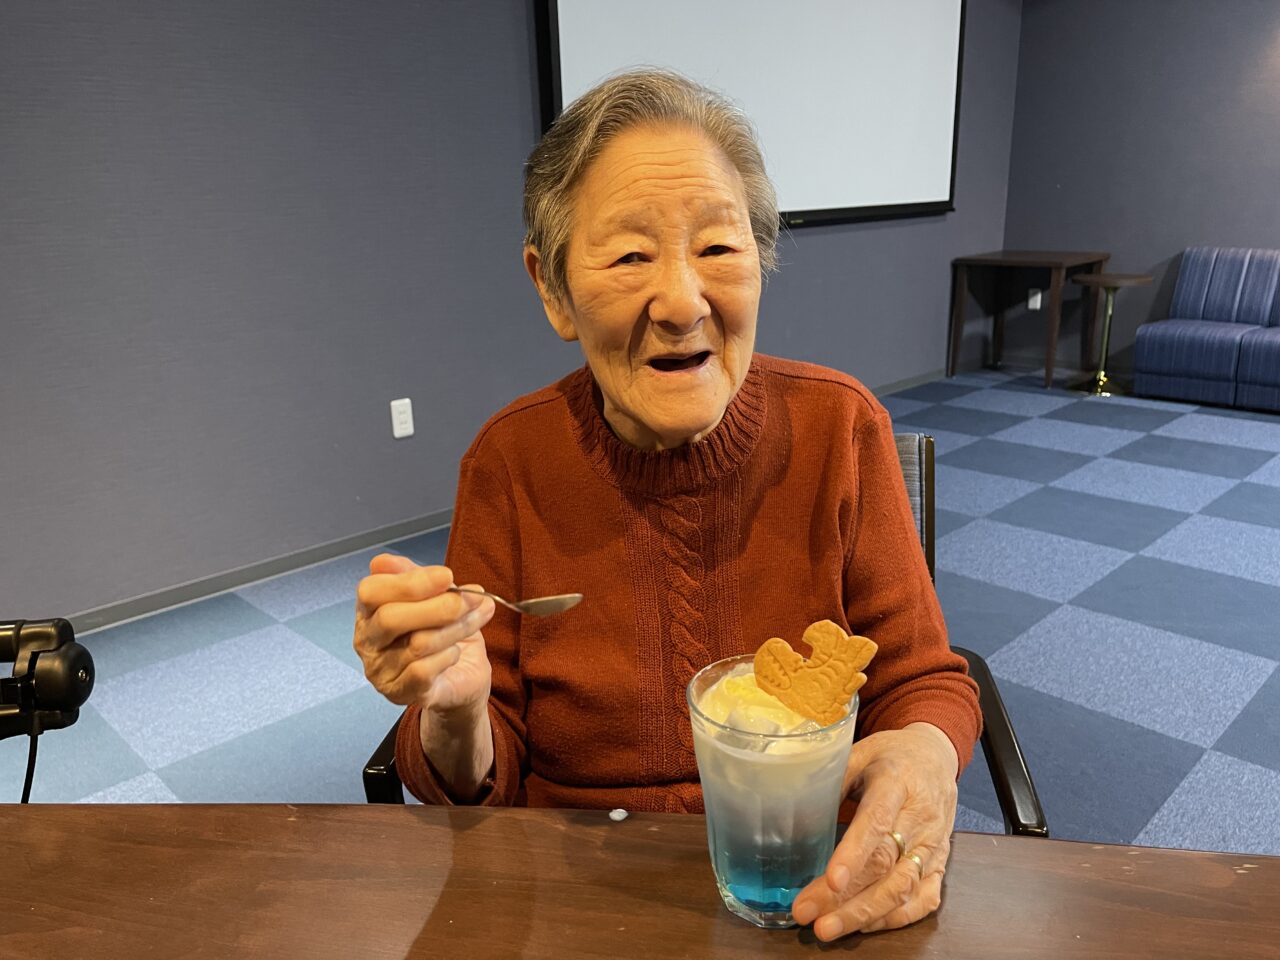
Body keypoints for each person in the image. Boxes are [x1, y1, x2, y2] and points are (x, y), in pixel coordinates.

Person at [353, 69, 981, 941]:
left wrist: (926, 753)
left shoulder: (841, 428)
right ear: (552, 289)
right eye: (629, 257)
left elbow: (924, 682)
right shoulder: (510, 462)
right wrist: (455, 712)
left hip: (805, 886)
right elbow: (469, 781)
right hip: (578, 899)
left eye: (719, 248)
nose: (684, 303)